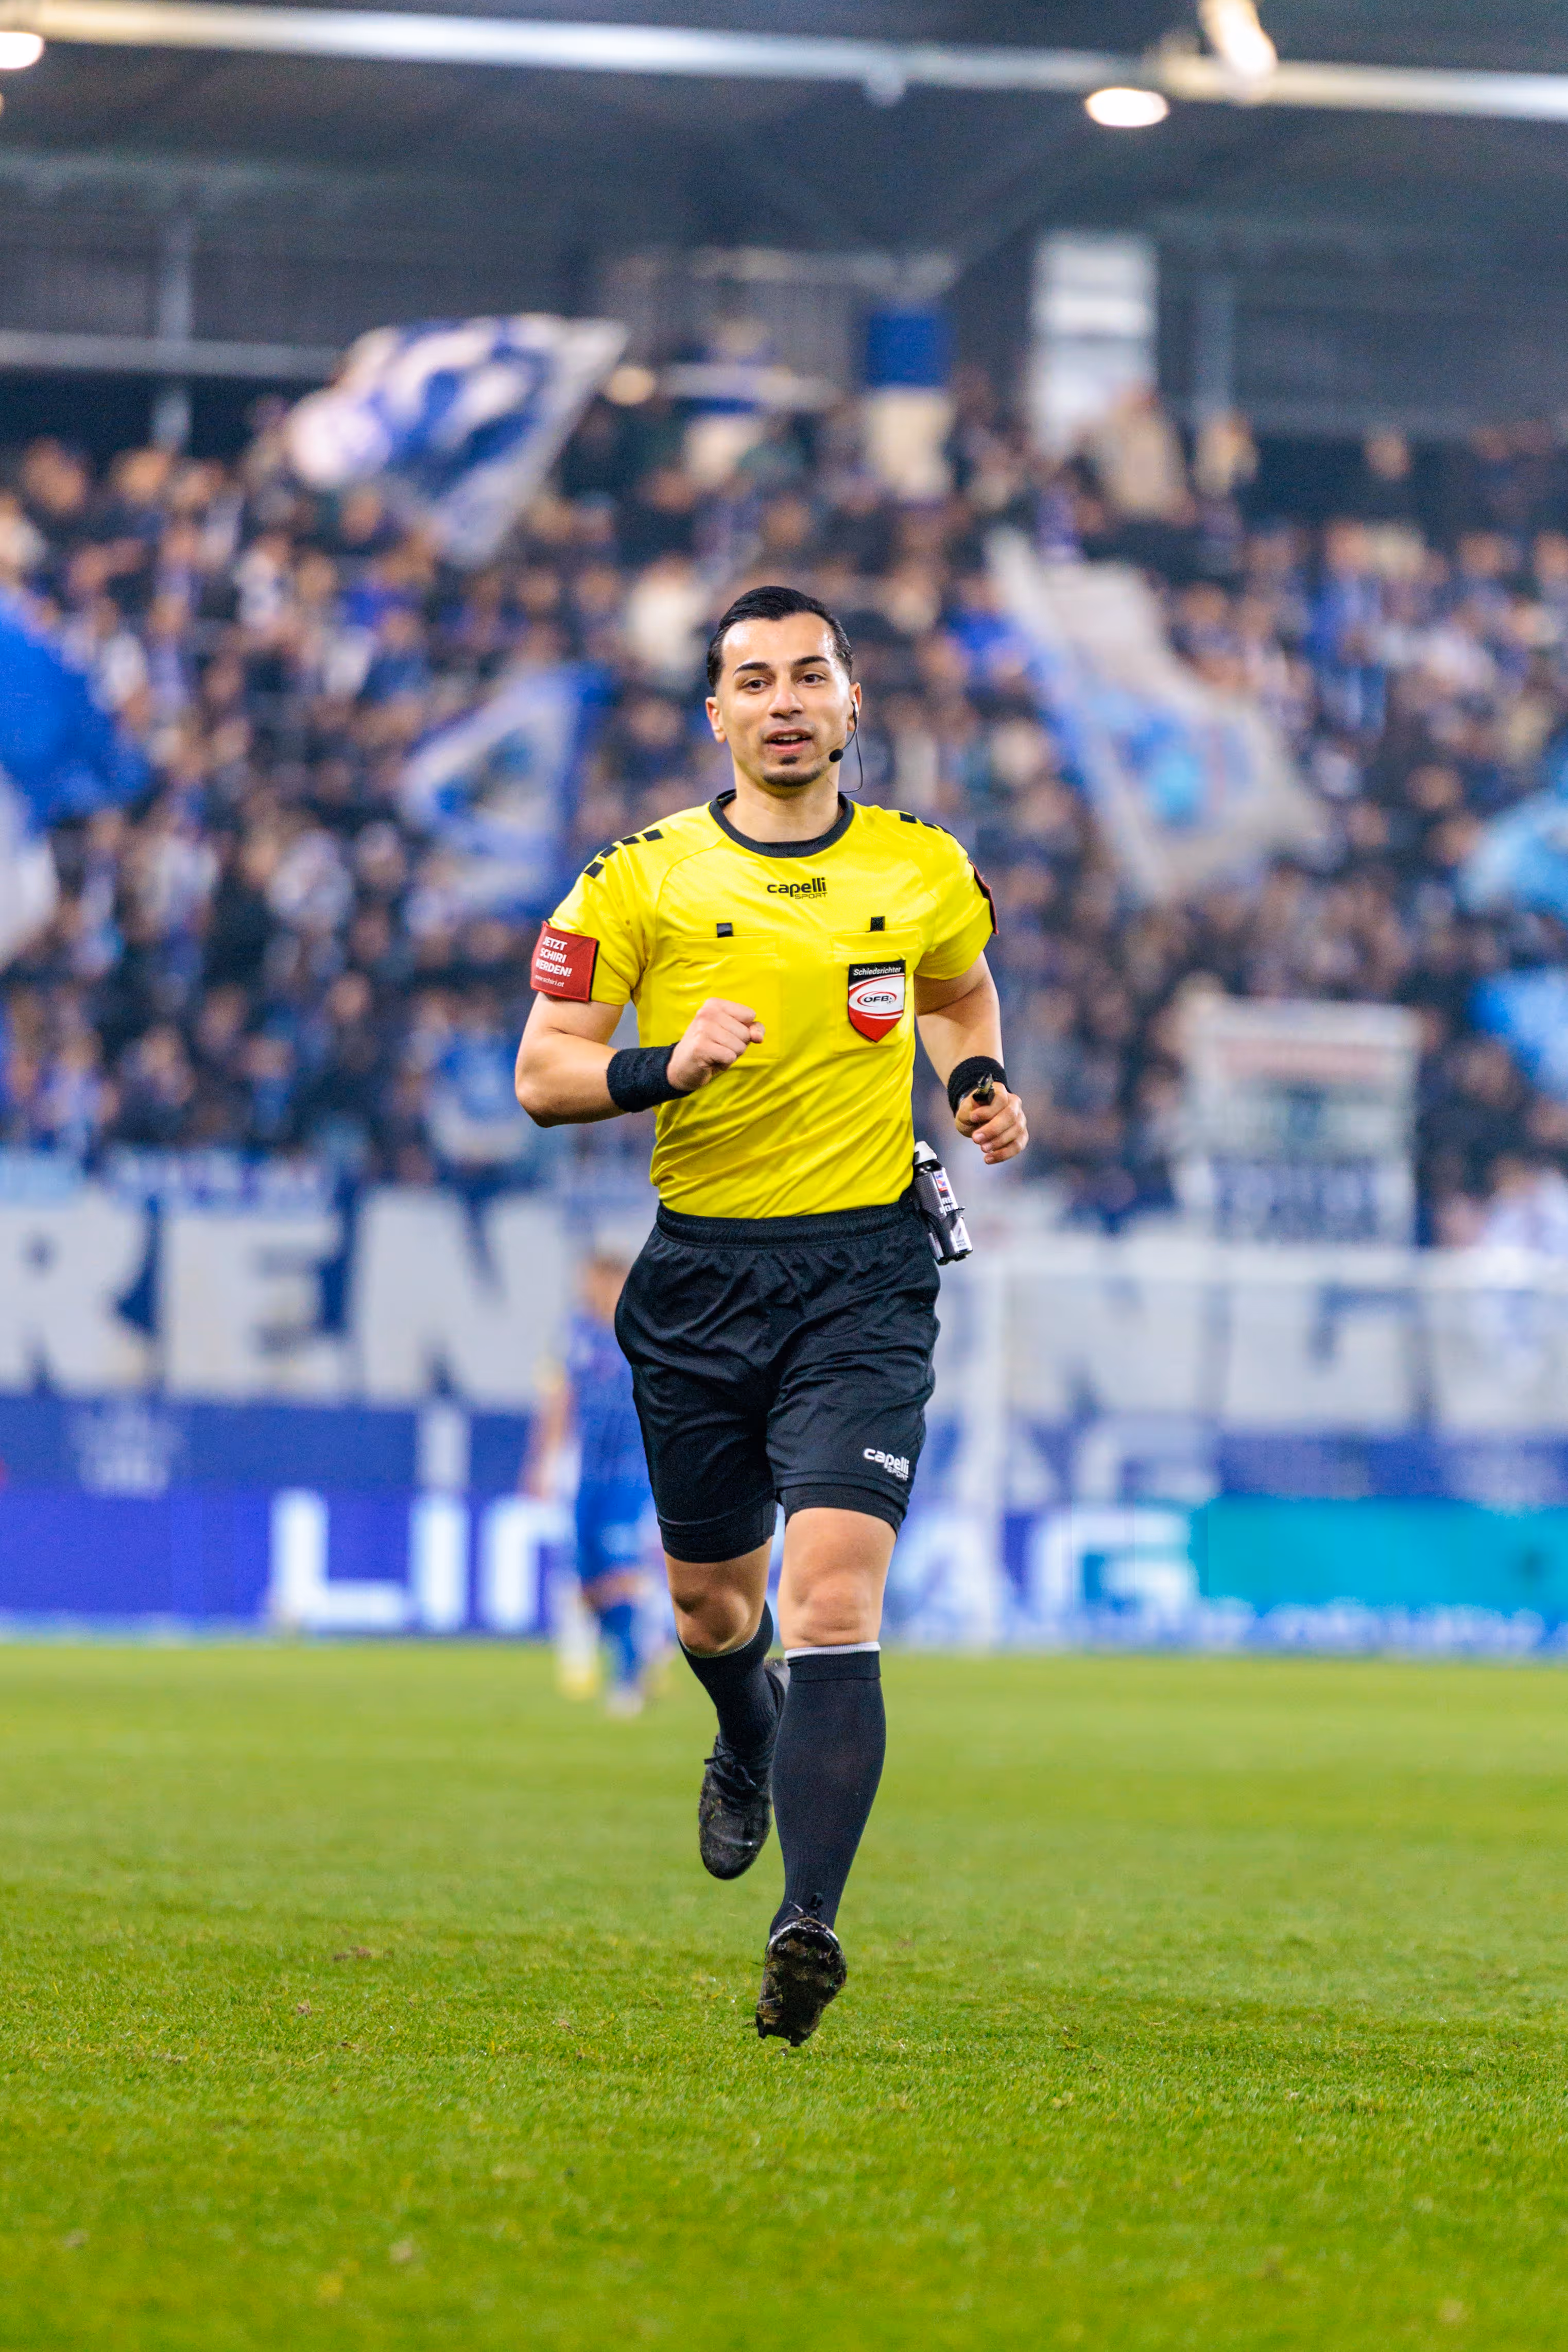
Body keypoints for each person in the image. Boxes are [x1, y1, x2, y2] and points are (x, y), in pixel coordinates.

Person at [515, 582, 1027, 2046]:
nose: (786, 699)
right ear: (718, 713)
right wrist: (664, 1064)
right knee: (713, 1608)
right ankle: (742, 1730)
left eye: (812, 674)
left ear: (852, 703)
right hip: (700, 1285)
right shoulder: (640, 878)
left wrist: (974, 1080)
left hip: (865, 1275)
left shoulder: (923, 864)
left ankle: (806, 1921)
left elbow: (958, 986)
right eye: (756, 678)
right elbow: (543, 1070)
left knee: (831, 1600)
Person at [525, 1250, 655, 1715]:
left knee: (620, 1570)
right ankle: (640, 1643)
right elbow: (558, 1399)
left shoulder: (644, 1332)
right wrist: (542, 1462)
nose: (593, 1291)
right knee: (585, 1581)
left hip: (632, 1472)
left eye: (603, 1282)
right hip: (587, 1475)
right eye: (590, 1282)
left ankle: (630, 1676)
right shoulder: (574, 1335)